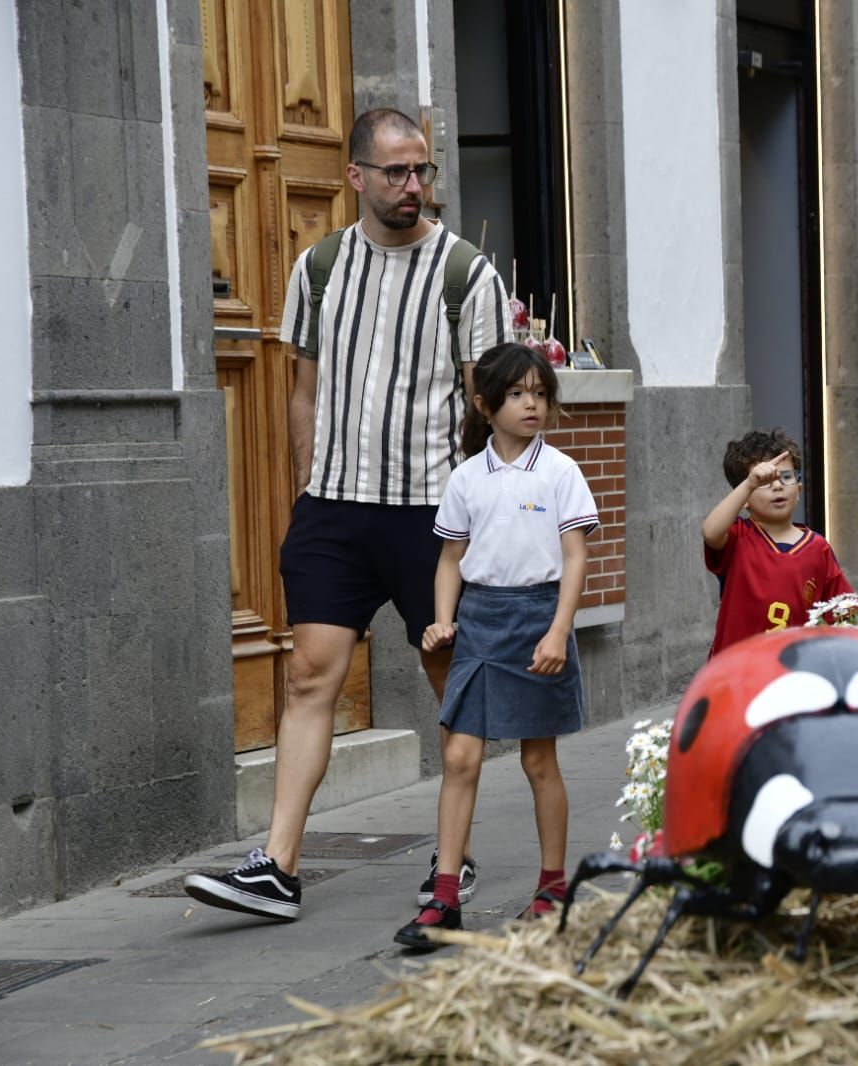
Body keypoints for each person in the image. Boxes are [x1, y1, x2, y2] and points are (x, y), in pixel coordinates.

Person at [185, 109, 510, 921]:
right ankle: (278, 866)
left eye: (423, 171)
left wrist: (484, 515)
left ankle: (453, 854)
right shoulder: (319, 267)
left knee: (453, 684)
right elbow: (303, 391)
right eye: (397, 172)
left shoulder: (465, 273)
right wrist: (305, 495)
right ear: (355, 176)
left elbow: (492, 404)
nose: (413, 187)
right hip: (333, 510)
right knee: (307, 675)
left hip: (431, 516)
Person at [393, 343, 596, 948]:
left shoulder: (560, 471)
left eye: (538, 392)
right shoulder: (465, 478)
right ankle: (445, 900)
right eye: (515, 394)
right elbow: (450, 559)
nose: (530, 403)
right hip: (480, 622)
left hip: (539, 618)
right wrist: (441, 621)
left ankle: (553, 889)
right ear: (485, 405)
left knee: (539, 761)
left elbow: (575, 555)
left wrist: (560, 629)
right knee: (459, 757)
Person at [702, 429, 855, 658]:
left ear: (799, 488)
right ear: (743, 499)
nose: (777, 486)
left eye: (785, 477)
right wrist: (748, 484)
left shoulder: (817, 548)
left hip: (789, 676)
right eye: (763, 482)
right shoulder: (738, 538)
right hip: (736, 675)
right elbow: (710, 532)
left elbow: (845, 613)